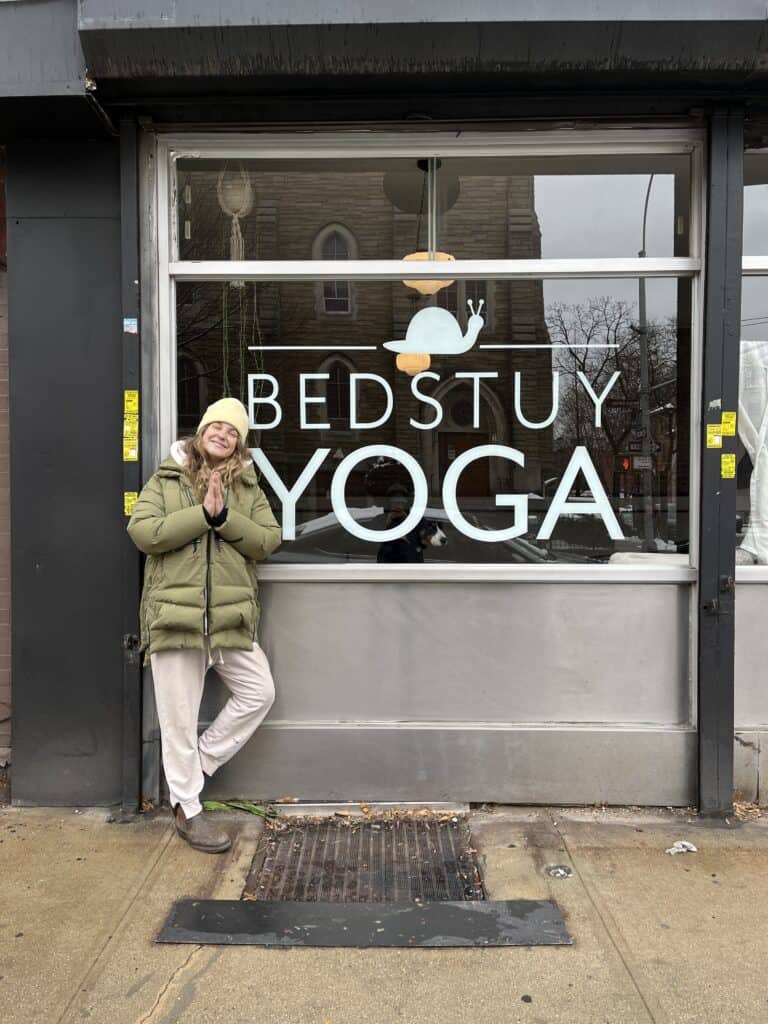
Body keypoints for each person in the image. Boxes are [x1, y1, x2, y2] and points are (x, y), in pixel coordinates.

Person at [127, 398, 281, 853]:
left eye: (232, 431)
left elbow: (268, 540)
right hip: (176, 618)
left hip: (228, 619)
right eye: (215, 425)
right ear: (200, 431)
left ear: (238, 444)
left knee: (260, 691)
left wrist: (225, 518)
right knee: (176, 720)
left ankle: (194, 770)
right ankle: (189, 812)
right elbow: (144, 533)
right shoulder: (167, 477)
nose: (222, 434)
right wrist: (202, 516)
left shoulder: (248, 486)